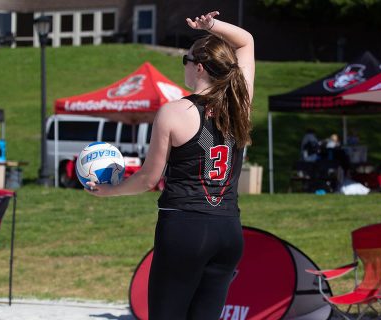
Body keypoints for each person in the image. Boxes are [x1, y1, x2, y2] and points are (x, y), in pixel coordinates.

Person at [85, 11, 254, 320]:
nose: (184, 68)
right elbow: (246, 43)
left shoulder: (174, 112)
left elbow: (149, 178)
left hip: (186, 227)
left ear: (199, 67)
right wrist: (211, 26)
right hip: (228, 229)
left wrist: (108, 191)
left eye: (185, 61)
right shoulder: (239, 103)